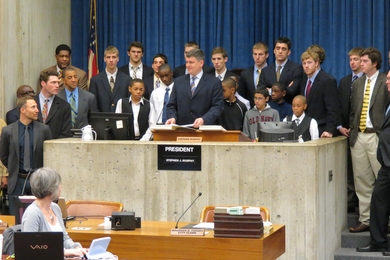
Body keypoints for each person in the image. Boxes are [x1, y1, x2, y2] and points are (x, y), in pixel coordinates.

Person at [348, 47, 389, 233]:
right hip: (359, 136)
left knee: (383, 181)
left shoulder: (384, 81)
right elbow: (353, 111)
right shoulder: (357, 84)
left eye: (364, 61)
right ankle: (366, 219)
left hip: (377, 136)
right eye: (360, 61)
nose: (360, 64)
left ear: (375, 63)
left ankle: (385, 221)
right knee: (362, 180)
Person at [356, 71, 390, 254]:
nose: (387, 82)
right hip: (386, 161)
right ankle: (378, 242)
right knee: (378, 199)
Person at [0, 96, 52, 215]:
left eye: (36, 107)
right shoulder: (8, 131)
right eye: (33, 107)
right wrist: (14, 167)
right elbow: (4, 155)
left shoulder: (44, 129)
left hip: (38, 180)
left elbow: (49, 154)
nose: (37, 110)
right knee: (17, 217)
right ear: (22, 110)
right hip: (18, 180)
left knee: (40, 215)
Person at [21, 167, 88, 257]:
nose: (61, 187)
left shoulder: (55, 208)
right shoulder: (32, 213)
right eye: (58, 184)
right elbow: (30, 249)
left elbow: (64, 238)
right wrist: (63, 252)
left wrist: (75, 248)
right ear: (51, 189)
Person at [166, 48, 224, 127]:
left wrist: (204, 119)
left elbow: (217, 107)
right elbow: (171, 105)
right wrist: (172, 117)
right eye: (187, 62)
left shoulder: (214, 82)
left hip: (205, 130)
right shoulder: (178, 82)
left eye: (191, 62)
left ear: (201, 63)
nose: (187, 65)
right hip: (182, 130)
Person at [338, 47, 364, 213]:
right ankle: (350, 201)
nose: (352, 63)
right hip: (346, 130)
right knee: (348, 168)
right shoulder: (345, 81)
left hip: (362, 130)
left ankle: (363, 204)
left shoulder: (368, 81)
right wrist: (340, 127)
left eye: (356, 59)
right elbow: (339, 106)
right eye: (350, 60)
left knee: (362, 171)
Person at [299, 50, 339, 137]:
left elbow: (332, 108)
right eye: (304, 63)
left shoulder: (327, 80)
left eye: (309, 62)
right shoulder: (304, 80)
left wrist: (330, 130)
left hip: (322, 128)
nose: (306, 66)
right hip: (306, 128)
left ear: (317, 63)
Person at [258, 37, 303, 103]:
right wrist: (285, 88)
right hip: (269, 109)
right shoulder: (265, 70)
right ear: (274, 51)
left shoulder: (296, 69)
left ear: (289, 52)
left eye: (284, 49)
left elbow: (293, 91)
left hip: (288, 108)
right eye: (278, 48)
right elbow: (260, 91)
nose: (280, 51)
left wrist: (270, 90)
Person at [89, 46, 131, 112]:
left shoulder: (127, 79)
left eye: (114, 57)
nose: (111, 60)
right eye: (108, 57)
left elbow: (129, 103)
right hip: (102, 120)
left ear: (118, 59)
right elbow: (93, 105)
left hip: (121, 119)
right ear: (104, 59)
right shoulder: (95, 80)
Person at [35, 70, 72, 139]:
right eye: (53, 83)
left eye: (58, 82)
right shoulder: (31, 102)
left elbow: (66, 133)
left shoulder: (64, 106)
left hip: (54, 146)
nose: (57, 86)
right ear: (43, 83)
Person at [239, 42, 269, 107]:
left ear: (266, 55)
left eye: (260, 54)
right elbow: (242, 96)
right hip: (250, 110)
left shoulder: (273, 72)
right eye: (255, 54)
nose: (257, 57)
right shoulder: (245, 74)